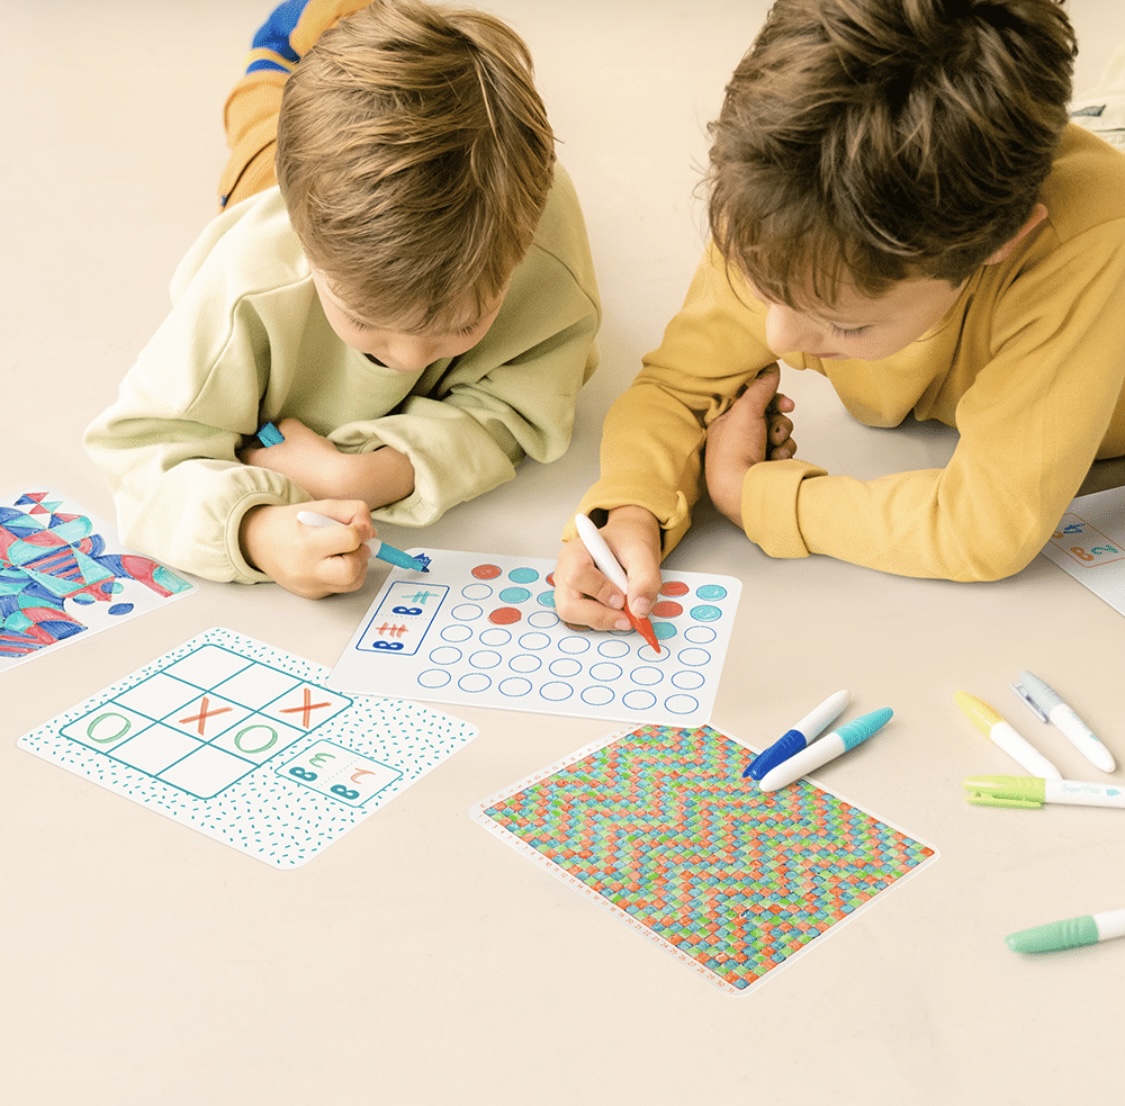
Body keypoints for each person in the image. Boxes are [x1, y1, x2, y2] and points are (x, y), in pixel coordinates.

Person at [554, 0, 1125, 635]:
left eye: (847, 324)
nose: (777, 336)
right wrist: (631, 509)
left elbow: (986, 527)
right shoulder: (784, 191)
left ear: (1000, 244)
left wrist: (753, 496)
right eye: (759, 282)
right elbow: (676, 388)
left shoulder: (1090, 243)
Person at [85, 0, 600, 598]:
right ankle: (300, 31)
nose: (409, 359)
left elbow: (528, 403)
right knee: (262, 117)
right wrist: (255, 531)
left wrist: (366, 474)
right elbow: (141, 453)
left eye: (463, 326)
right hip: (266, 181)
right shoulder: (249, 281)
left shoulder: (542, 236)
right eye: (362, 319)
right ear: (307, 251)